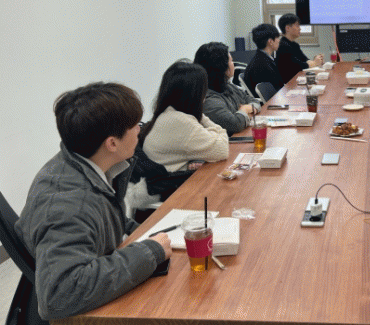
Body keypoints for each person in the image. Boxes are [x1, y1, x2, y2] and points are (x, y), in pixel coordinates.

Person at [15, 83, 172, 320]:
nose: (139, 131)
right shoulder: (68, 204)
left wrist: (142, 231)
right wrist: (150, 252)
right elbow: (60, 294)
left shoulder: (82, 162)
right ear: (112, 143)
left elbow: (104, 217)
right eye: (135, 126)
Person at [141, 60, 228, 173]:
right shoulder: (180, 121)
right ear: (194, 94)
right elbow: (223, 149)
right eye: (203, 90)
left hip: (166, 178)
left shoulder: (168, 114)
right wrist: (204, 119)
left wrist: (185, 165)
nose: (205, 95)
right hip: (170, 183)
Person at [194, 42, 262, 136]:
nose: (233, 64)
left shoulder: (228, 86)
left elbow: (254, 101)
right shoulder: (208, 99)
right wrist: (245, 110)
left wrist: (246, 109)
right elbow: (236, 124)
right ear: (221, 67)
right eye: (231, 61)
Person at [276, 13, 324, 83]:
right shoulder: (283, 46)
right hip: (289, 84)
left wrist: (317, 59)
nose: (300, 28)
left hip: (296, 80)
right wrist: (315, 62)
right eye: (297, 25)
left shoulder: (294, 44)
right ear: (288, 28)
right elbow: (300, 66)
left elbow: (305, 60)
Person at [244, 23, 284, 93]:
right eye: (277, 38)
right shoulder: (263, 65)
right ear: (270, 41)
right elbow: (278, 89)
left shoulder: (261, 58)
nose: (279, 40)